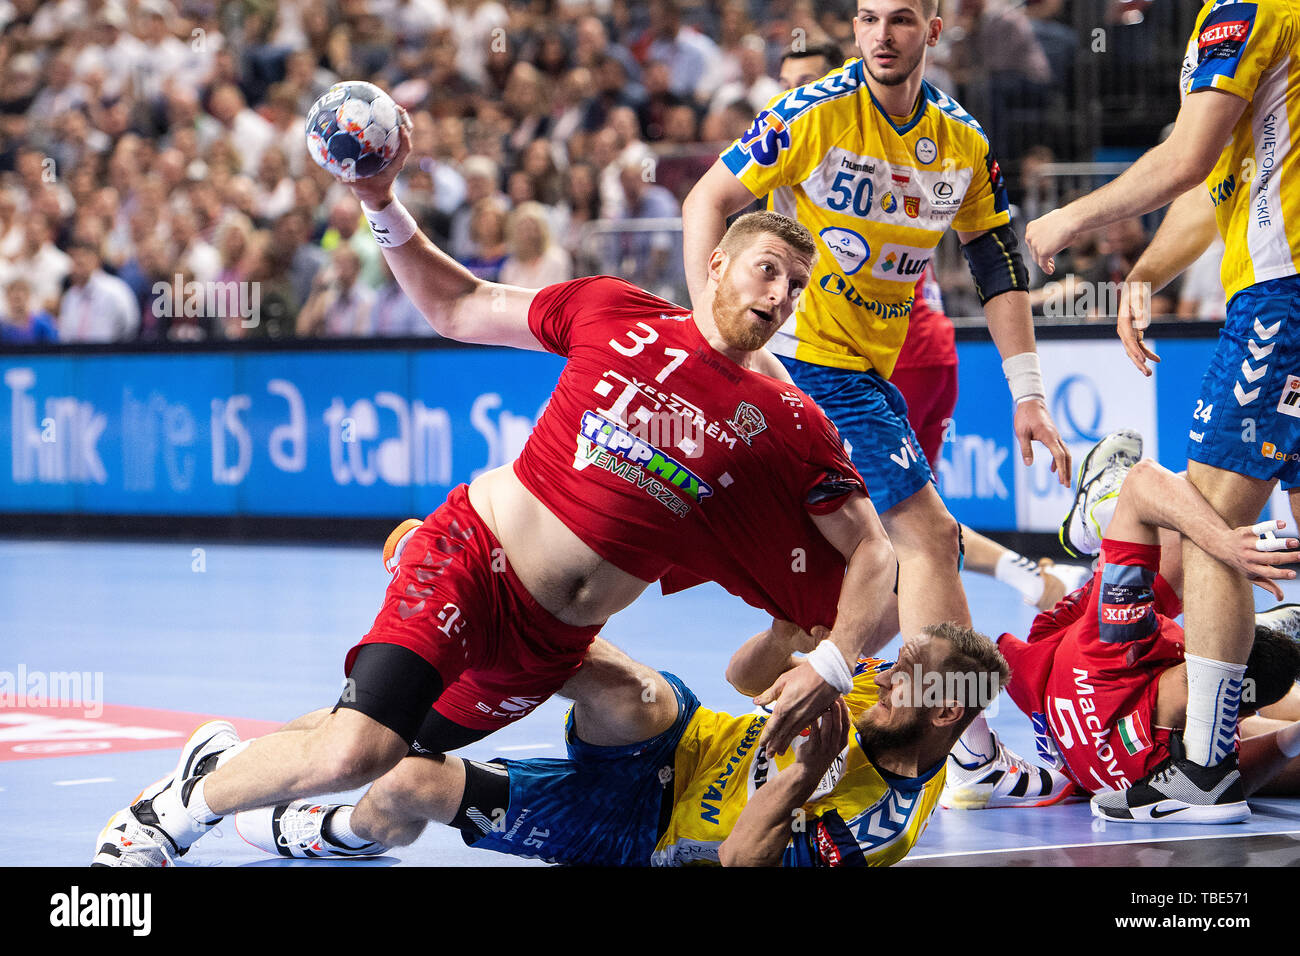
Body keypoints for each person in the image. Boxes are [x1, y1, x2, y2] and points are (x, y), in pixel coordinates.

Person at [92, 115, 899, 866]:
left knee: (388, 741)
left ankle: (225, 765)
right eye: (768, 271)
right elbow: (461, 304)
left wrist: (831, 664)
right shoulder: (619, 312)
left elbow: (872, 553)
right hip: (473, 560)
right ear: (717, 263)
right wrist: (381, 202)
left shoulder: (786, 420)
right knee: (359, 752)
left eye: (796, 286)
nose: (779, 296)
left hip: (549, 641)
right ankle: (168, 815)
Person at [681, 0, 1072, 807]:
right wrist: (712, 333)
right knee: (927, 539)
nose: (879, 36)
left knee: (856, 588)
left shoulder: (962, 140)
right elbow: (704, 201)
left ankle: (766, 704)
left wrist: (1027, 393)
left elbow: (997, 260)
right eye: (865, 19)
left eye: (899, 19)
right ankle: (972, 755)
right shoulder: (816, 110)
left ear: (933, 28)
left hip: (871, 369)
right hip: (811, 363)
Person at [1024, 0, 1300, 822]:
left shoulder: (1249, 7)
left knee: (1212, 528)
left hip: (1282, 299)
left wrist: (1073, 215)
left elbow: (1184, 157)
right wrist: (1143, 270)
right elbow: (1212, 173)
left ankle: (1205, 770)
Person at [230, 620, 1007, 867]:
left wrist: (800, 775)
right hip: (683, 740)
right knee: (593, 665)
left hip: (643, 835)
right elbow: (744, 678)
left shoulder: (883, 827)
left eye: (907, 678)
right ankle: (448, 621)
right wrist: (786, 636)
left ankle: (330, 834)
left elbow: (741, 860)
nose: (884, 678)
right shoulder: (873, 686)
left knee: (405, 788)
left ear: (945, 715)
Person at [992, 429, 1300, 817]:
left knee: (1208, 510)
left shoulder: (1116, 641)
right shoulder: (1188, 761)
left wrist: (1224, 547)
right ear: (1238, 719)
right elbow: (1248, 766)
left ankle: (1101, 513)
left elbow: (1143, 482)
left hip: (1072, 646)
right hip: (1088, 739)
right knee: (1205, 523)